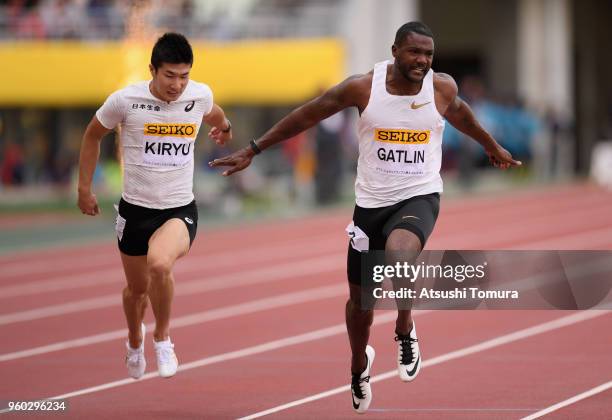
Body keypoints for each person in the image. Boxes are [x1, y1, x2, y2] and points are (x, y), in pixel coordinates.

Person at [209, 21, 521, 413]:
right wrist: (254, 148)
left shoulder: (441, 88)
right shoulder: (363, 86)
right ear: (395, 51)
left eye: (428, 54)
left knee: (400, 254)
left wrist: (493, 147)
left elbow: (462, 116)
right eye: (414, 53)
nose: (422, 61)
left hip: (419, 195)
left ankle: (405, 328)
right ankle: (359, 366)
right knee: (360, 306)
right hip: (370, 205)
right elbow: (310, 113)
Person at [77, 33, 232, 380]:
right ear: (152, 70)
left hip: (179, 209)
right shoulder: (125, 100)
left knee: (160, 264)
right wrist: (84, 188)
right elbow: (92, 134)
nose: (177, 85)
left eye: (184, 75)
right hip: (135, 211)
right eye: (169, 76)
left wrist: (225, 128)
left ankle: (162, 337)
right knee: (136, 292)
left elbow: (216, 114)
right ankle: (135, 338)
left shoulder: (199, 95)